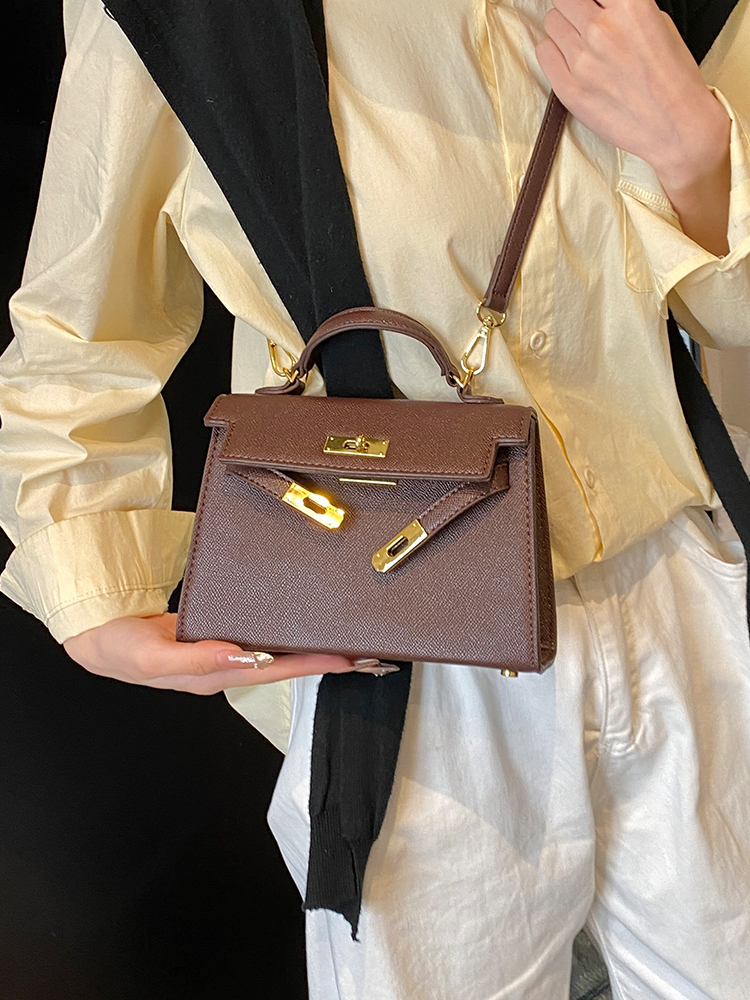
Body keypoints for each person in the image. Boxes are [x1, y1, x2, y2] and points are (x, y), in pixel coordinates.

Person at [2, 0, 749, 995]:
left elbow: (725, 313)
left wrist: (699, 154)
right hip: (407, 642)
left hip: (686, 590)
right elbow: (81, 326)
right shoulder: (196, 18)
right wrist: (86, 570)